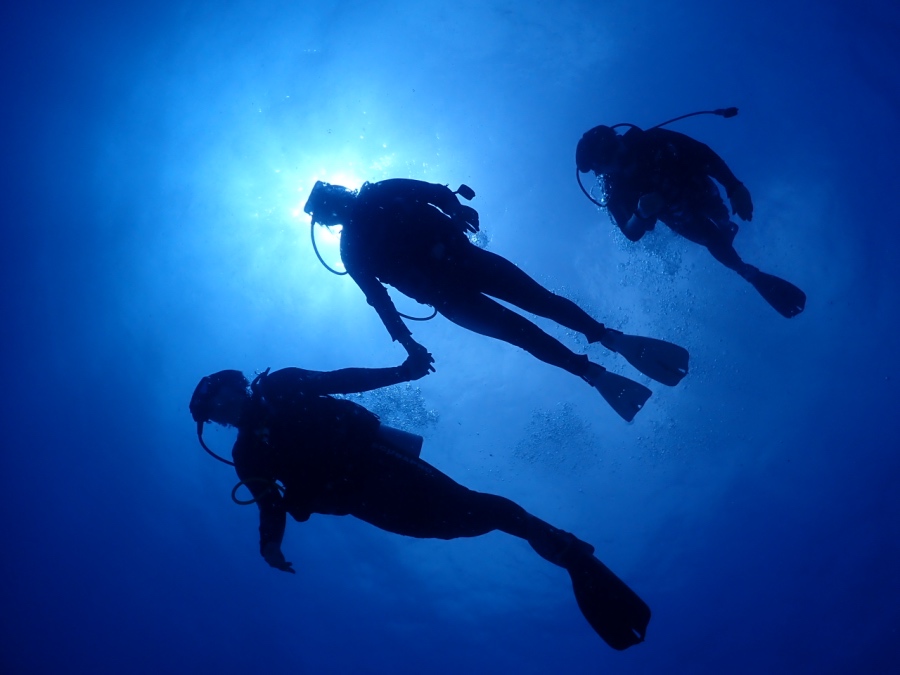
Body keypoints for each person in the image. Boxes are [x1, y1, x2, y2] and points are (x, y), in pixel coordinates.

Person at [188, 358, 651, 651]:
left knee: (477, 509)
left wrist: (401, 371)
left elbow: (344, 381)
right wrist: (270, 545)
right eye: (214, 412)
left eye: (222, 396)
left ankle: (571, 555)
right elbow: (270, 502)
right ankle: (559, 548)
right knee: (454, 527)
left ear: (237, 384)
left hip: (382, 465)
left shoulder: (282, 387)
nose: (223, 409)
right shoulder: (245, 454)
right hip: (363, 502)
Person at [303, 178, 689, 422]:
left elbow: (436, 195)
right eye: (331, 202)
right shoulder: (355, 244)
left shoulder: (364, 226)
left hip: (458, 280)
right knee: (531, 321)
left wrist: (457, 210)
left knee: (538, 309)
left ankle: (604, 344)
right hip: (456, 288)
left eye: (333, 197)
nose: (338, 202)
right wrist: (408, 343)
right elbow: (380, 300)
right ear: (331, 216)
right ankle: (594, 362)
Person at [575, 123, 806, 318]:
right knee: (710, 238)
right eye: (607, 156)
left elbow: (702, 153)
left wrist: (734, 186)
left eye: (615, 146)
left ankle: (725, 225)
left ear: (619, 139)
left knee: (716, 213)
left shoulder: (653, 141)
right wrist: (640, 214)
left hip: (696, 187)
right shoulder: (616, 191)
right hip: (678, 214)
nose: (619, 155)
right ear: (599, 168)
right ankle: (746, 271)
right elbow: (631, 233)